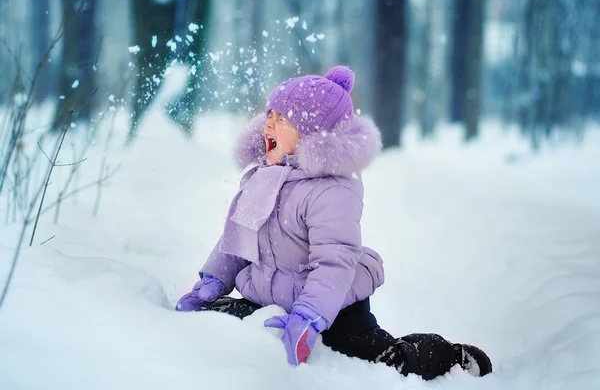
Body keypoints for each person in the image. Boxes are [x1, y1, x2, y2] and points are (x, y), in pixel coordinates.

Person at [175, 66, 492, 380]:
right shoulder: (262, 177)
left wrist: (310, 316)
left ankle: (449, 356)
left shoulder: (332, 190)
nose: (268, 124)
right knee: (217, 316)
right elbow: (239, 237)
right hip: (270, 298)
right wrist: (213, 280)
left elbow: (334, 264)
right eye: (269, 115)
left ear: (309, 134)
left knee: (385, 362)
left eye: (281, 119)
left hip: (335, 308)